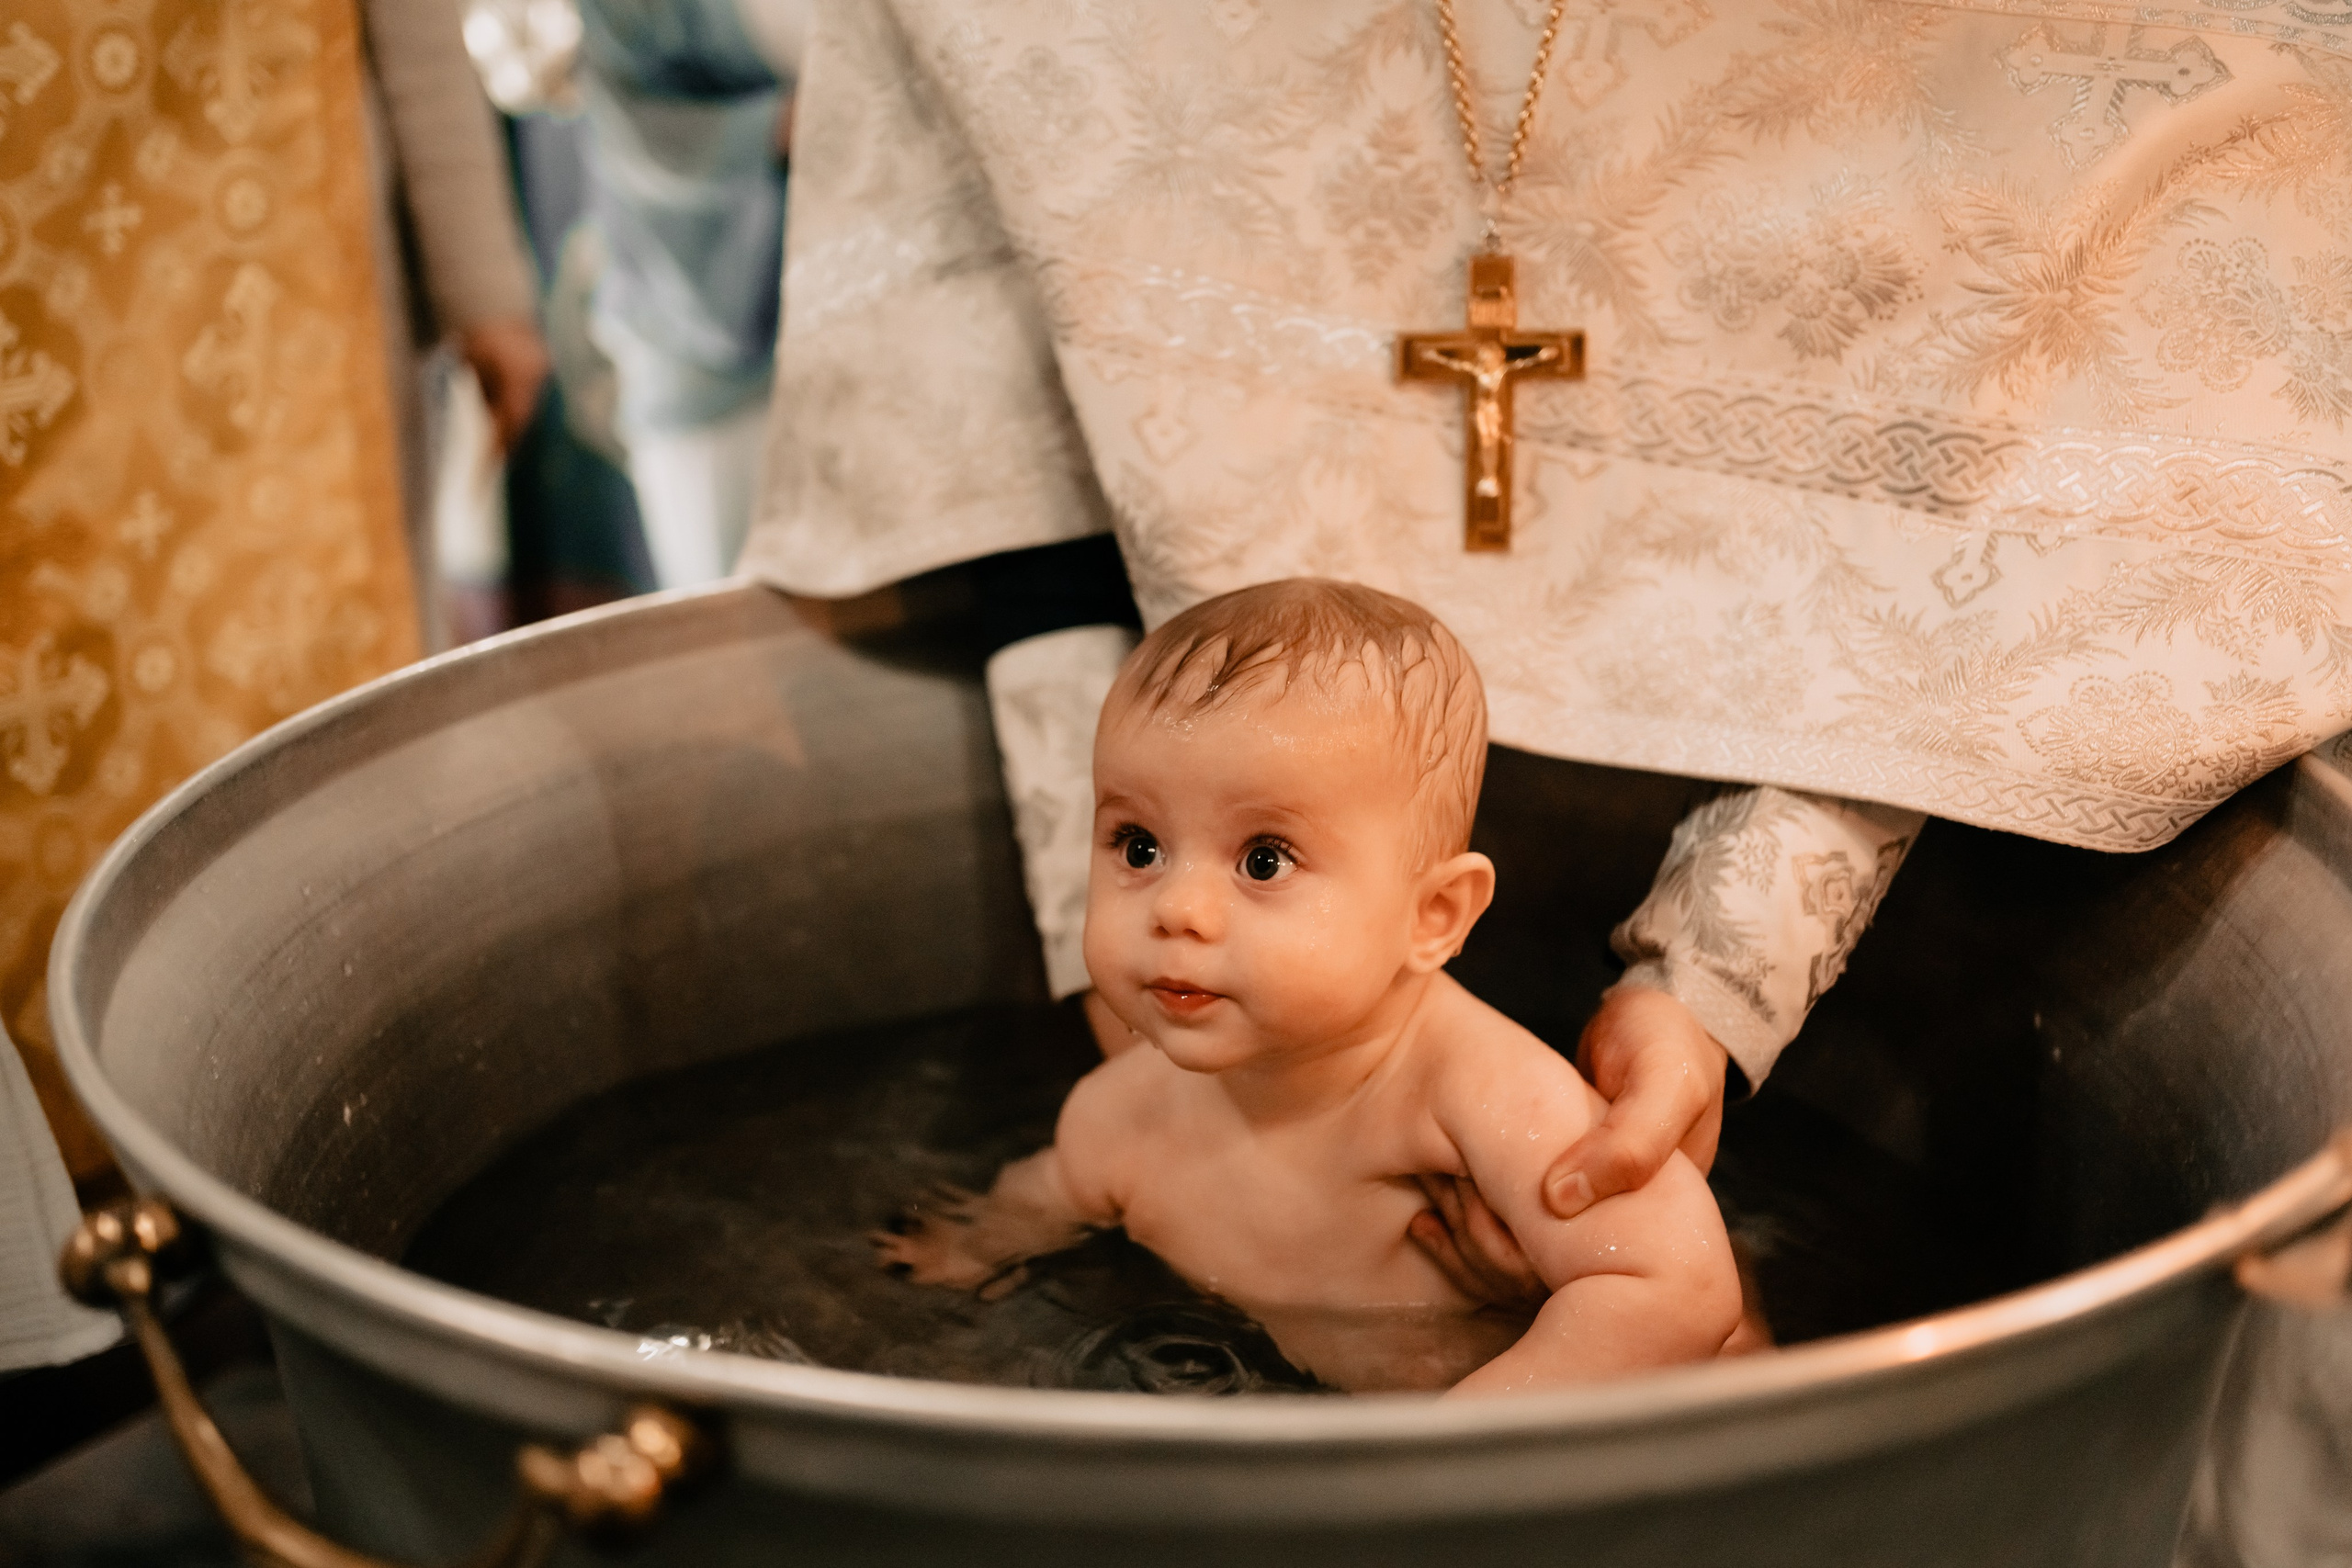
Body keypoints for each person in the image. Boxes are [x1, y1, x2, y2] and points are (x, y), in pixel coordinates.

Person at [876, 581, 1742, 1393]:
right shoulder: (1120, 1114)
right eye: (1139, 845)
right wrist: (978, 1243)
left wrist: (1455, 1453)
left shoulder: (1477, 1091)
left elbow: (1678, 1286)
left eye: (1263, 860)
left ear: (1433, 915)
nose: (1177, 908)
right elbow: (1052, 1189)